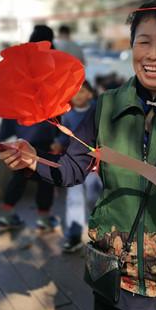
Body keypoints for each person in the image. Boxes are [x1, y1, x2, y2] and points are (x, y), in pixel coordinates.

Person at [0, 0, 156, 310]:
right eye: (143, 42)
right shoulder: (106, 106)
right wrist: (34, 159)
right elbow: (72, 168)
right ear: (132, 47)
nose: (153, 54)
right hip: (116, 278)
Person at [0, 24, 60, 232]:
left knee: (20, 174)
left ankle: (5, 216)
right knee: (47, 175)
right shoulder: (54, 62)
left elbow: (10, 96)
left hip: (23, 129)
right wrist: (59, 135)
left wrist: (7, 131)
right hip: (45, 130)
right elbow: (58, 100)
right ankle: (43, 219)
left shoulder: (21, 62)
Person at [52, 80, 102, 253]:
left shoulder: (98, 110)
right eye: (74, 93)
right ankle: (74, 236)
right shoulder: (68, 115)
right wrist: (58, 143)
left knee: (94, 196)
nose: (78, 96)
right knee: (74, 199)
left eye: (82, 91)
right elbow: (64, 136)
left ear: (90, 94)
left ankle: (101, 231)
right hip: (74, 163)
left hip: (94, 165)